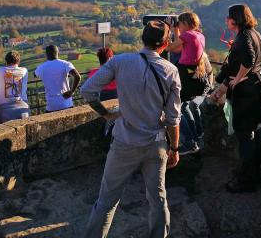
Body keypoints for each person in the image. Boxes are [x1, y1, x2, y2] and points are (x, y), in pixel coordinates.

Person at [80, 20, 181, 238]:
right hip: (156, 144)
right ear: (165, 43)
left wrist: (106, 114)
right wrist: (174, 148)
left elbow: (87, 90)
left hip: (125, 142)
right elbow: (173, 119)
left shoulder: (120, 62)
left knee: (107, 199)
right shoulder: (171, 71)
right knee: (158, 198)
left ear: (142, 39)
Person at [210, 3, 261, 192]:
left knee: (245, 136)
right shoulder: (254, 34)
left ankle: (246, 181)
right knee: (252, 135)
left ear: (236, 19)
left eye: (228, 17)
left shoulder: (243, 36)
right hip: (255, 89)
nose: (226, 20)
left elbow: (249, 60)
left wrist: (237, 80)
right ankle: (252, 174)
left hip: (246, 93)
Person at [179, 52, 213, 155]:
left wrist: (209, 88)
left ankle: (195, 135)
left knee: (187, 106)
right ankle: (196, 134)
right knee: (185, 106)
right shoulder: (194, 56)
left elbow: (209, 73)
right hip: (194, 89)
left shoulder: (192, 58)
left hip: (198, 90)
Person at [34, 45, 82, 112]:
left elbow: (35, 74)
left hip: (51, 105)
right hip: (66, 103)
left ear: (46, 54)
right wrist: (72, 91)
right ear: (57, 52)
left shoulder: (41, 67)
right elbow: (77, 76)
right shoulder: (65, 64)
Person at [166, 12, 206, 84]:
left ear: (185, 23)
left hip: (184, 70)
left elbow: (168, 48)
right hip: (194, 69)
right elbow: (178, 50)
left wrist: (168, 30)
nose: (178, 26)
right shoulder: (200, 35)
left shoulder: (187, 35)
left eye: (179, 24)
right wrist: (176, 30)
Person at [0, 51, 30, 123]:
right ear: (18, 61)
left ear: (6, 61)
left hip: (4, 109)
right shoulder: (25, 71)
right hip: (23, 107)